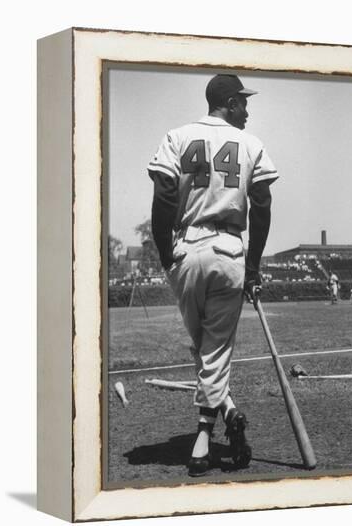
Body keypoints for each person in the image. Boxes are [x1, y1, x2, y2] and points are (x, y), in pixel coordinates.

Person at [148, 74, 279, 476]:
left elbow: (165, 196)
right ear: (227, 102)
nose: (247, 110)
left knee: (204, 348)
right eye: (242, 102)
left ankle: (225, 415)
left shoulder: (177, 136)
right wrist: (253, 268)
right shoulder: (252, 144)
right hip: (228, 251)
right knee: (213, 350)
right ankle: (207, 434)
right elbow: (261, 206)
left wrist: (166, 253)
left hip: (186, 249)